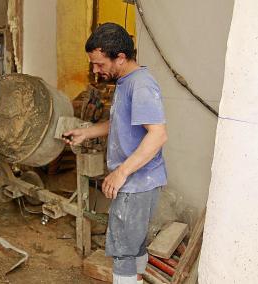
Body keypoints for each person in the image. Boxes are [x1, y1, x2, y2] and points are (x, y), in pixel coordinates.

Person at [64, 23, 168, 284]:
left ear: (120, 57)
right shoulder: (125, 81)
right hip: (138, 180)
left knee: (123, 249)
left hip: (136, 182)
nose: (96, 71)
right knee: (134, 243)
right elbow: (121, 123)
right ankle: (139, 278)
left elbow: (158, 134)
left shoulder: (141, 85)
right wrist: (86, 132)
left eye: (100, 64)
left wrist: (121, 172)